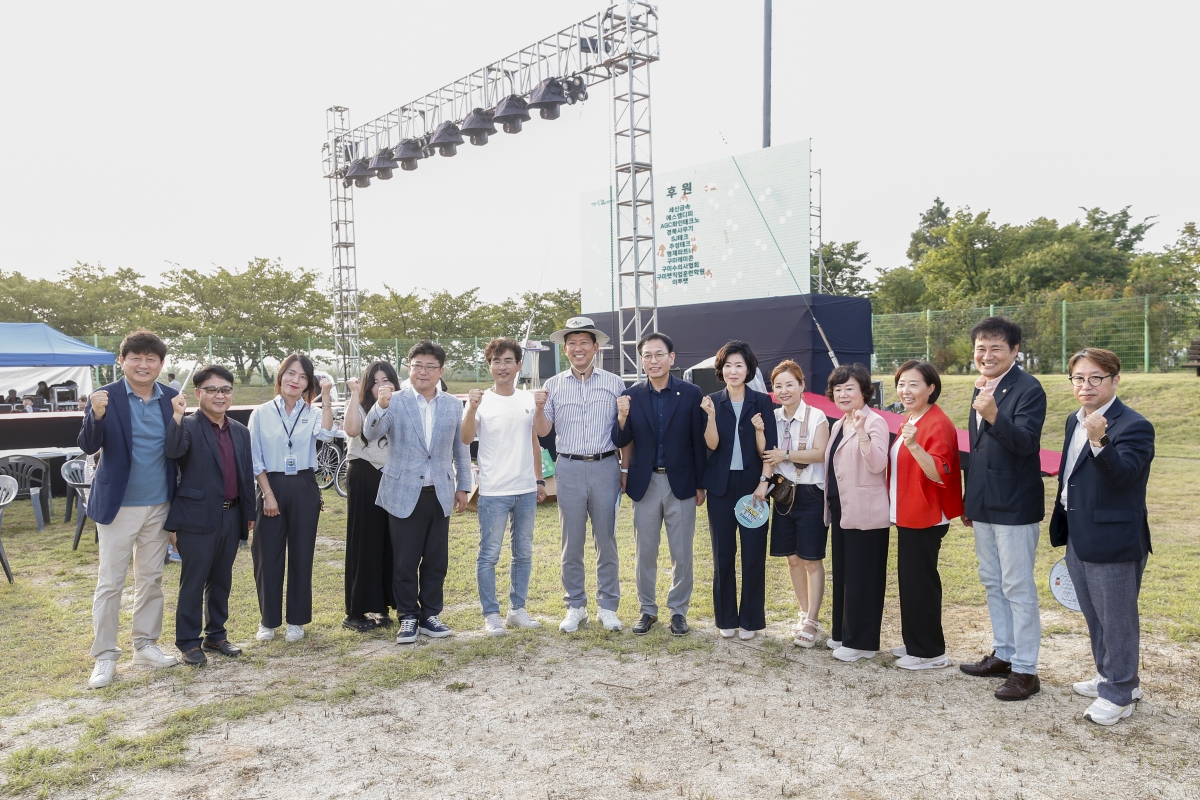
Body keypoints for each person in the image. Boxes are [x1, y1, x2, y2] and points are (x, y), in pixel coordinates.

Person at [1050, 348, 1154, 726]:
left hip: (1114, 537)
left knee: (1117, 617)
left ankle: (1119, 693)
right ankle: (1112, 677)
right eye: (1079, 378)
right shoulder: (1072, 421)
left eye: (1096, 377)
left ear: (1114, 380)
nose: (1086, 385)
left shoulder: (1133, 425)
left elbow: (1124, 476)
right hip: (1078, 532)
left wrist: (1100, 442)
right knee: (1094, 614)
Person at [78, 330, 183, 689]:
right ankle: (105, 656)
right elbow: (88, 444)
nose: (143, 364)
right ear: (122, 361)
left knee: (151, 578)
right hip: (119, 506)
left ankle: (145, 645)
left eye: (150, 359)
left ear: (160, 364)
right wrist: (95, 414)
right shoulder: (105, 397)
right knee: (111, 582)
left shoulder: (171, 398)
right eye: (135, 357)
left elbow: (178, 449)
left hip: (159, 504)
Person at [958, 316, 1047, 701]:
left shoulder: (1028, 389)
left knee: (1017, 585)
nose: (987, 354)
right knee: (993, 581)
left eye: (996, 347)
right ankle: (1004, 654)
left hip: (1014, 504)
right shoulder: (981, 387)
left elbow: (1027, 444)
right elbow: (977, 452)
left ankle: (1026, 669)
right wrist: (969, 500)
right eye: (981, 347)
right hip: (984, 503)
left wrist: (995, 414)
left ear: (1014, 351)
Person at [364, 341, 471, 644]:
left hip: (440, 490)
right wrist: (380, 406)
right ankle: (408, 616)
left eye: (430, 366)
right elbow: (371, 433)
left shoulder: (452, 404)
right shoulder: (394, 401)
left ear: (440, 371)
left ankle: (431, 614)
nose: (423, 371)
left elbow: (460, 449)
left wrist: (463, 486)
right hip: (402, 491)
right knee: (405, 560)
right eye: (417, 366)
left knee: (437, 559)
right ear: (408, 368)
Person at [533, 316, 626, 634]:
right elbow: (544, 430)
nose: (577, 348)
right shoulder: (552, 385)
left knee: (606, 540)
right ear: (564, 348)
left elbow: (624, 431)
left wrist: (624, 469)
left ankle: (608, 607)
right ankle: (575, 606)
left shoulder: (614, 383)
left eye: (583, 342)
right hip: (568, 467)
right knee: (570, 542)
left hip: (605, 465)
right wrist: (537, 408)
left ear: (595, 347)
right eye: (571, 343)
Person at [611, 332, 707, 637]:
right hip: (646, 481)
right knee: (645, 551)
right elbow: (620, 440)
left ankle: (678, 611)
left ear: (671, 358)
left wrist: (700, 484)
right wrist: (622, 417)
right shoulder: (632, 395)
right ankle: (647, 609)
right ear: (641, 360)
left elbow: (698, 442)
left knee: (682, 552)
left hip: (681, 483)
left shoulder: (691, 393)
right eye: (647, 356)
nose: (653, 361)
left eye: (659, 354)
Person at [163, 365, 255, 666]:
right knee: (193, 581)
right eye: (213, 389)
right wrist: (176, 415)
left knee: (221, 580)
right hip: (196, 518)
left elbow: (245, 475)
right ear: (198, 393)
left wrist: (248, 514)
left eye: (225, 389)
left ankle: (216, 634)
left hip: (231, 515)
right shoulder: (188, 425)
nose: (220, 395)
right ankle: (189, 643)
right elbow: (173, 452)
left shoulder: (240, 431)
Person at [461, 338, 547, 636]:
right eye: (496, 361)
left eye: (508, 361)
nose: (502, 367)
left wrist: (539, 480)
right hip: (494, 491)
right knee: (489, 554)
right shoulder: (480, 399)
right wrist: (471, 409)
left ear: (518, 365)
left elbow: (541, 436)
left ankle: (517, 610)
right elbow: (465, 437)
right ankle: (491, 614)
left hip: (524, 489)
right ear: (489, 366)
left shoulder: (527, 398)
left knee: (523, 552)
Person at [247, 354, 335, 644]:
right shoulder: (261, 413)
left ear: (308, 383)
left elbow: (326, 433)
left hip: (303, 484)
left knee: (301, 554)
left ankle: (296, 621)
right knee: (267, 555)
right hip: (270, 484)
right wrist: (268, 494)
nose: (295, 381)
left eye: (302, 377)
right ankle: (268, 620)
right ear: (280, 376)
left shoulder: (310, 412)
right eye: (290, 374)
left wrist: (325, 396)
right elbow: (255, 459)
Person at [699, 340, 776, 640]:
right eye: (728, 365)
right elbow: (712, 445)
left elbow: (768, 448)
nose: (733, 371)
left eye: (739, 365)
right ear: (721, 369)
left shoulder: (762, 402)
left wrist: (764, 482)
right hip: (720, 487)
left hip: (753, 488)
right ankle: (726, 619)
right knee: (723, 555)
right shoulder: (711, 401)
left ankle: (751, 621)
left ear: (748, 369)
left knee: (754, 554)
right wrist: (711, 417)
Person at [889, 360, 963, 670]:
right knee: (911, 581)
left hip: (925, 515)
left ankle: (930, 651)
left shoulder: (936, 423)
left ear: (931, 388)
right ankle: (916, 640)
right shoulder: (914, 417)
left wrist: (915, 445)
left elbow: (940, 473)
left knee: (920, 582)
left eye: (914, 384)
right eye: (902, 383)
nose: (905, 390)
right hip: (909, 513)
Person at [758, 360, 829, 647]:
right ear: (772, 391)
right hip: (783, 492)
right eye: (778, 386)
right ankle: (802, 612)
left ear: (802, 386)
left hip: (811, 492)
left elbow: (820, 453)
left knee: (812, 559)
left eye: (790, 384)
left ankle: (812, 620)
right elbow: (765, 455)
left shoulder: (817, 417)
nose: (784, 390)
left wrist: (785, 454)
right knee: (792, 558)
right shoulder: (771, 417)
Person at [822, 363, 889, 662]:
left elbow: (877, 464)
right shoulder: (839, 423)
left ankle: (862, 642)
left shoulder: (874, 422)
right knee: (846, 574)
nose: (843, 394)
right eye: (837, 389)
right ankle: (843, 633)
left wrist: (862, 433)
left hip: (866, 510)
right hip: (842, 508)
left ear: (864, 391)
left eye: (849, 388)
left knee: (863, 576)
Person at [340, 360, 400, 633]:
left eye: (386, 380)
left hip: (393, 476)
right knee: (364, 542)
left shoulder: (400, 406)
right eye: (374, 381)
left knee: (390, 543)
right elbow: (352, 430)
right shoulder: (360, 405)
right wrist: (354, 393)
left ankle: (382, 605)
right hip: (364, 475)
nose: (380, 386)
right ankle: (355, 611)